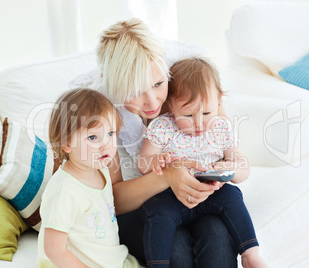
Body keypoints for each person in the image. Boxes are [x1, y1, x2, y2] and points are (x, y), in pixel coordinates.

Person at [70, 18, 245, 267]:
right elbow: (113, 201)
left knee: (217, 234)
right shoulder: (99, 109)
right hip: (139, 207)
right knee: (177, 249)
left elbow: (226, 146)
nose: (152, 103)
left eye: (158, 84)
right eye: (135, 91)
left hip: (195, 200)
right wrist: (165, 176)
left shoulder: (187, 76)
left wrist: (216, 173)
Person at [137, 57, 268, 268]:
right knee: (157, 212)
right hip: (173, 196)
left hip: (211, 191)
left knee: (233, 196)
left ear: (219, 101)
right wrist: (156, 160)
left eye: (206, 113)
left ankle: (250, 252)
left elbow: (242, 165)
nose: (199, 123)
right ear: (171, 106)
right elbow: (143, 164)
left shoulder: (221, 128)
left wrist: (231, 168)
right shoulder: (162, 126)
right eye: (187, 115)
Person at [37, 88, 142, 268]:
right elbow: (54, 250)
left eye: (110, 134)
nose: (105, 145)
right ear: (66, 143)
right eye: (92, 137)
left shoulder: (102, 170)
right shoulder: (64, 190)